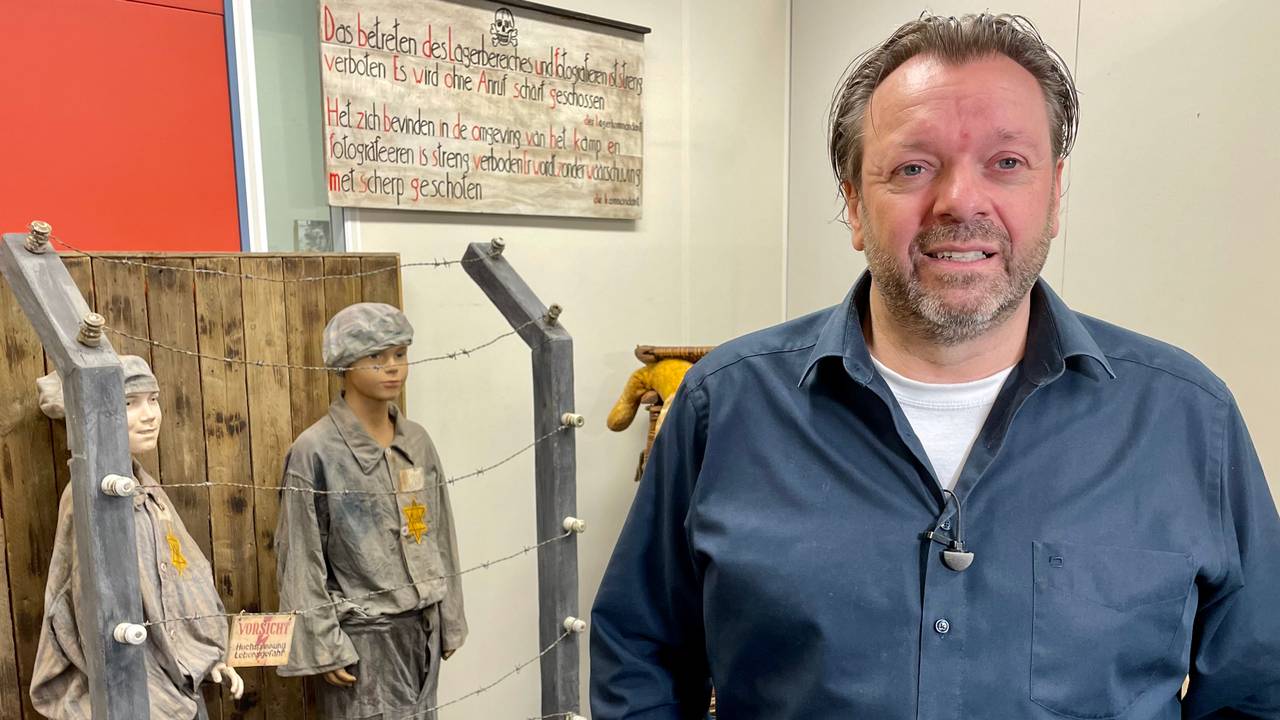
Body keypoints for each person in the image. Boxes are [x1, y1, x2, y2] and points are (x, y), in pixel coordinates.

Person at [590, 13, 1280, 719]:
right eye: (913, 167)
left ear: (1054, 195)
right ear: (855, 203)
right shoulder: (721, 410)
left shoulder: (1190, 421)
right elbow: (638, 662)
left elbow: (1257, 693)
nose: (959, 201)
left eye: (1006, 163)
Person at [275, 302, 467, 719]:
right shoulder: (316, 450)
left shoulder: (416, 441)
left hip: (424, 629)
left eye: (400, 354)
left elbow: (441, 533)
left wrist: (449, 617)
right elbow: (300, 556)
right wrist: (324, 643)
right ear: (344, 364)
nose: (392, 367)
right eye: (376, 357)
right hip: (362, 638)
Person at [30, 355, 243, 720]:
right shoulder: (92, 497)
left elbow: (184, 576)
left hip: (178, 687)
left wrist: (207, 653)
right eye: (129, 403)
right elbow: (87, 613)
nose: (150, 415)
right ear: (92, 414)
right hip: (135, 699)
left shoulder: (147, 489)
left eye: (154, 399)